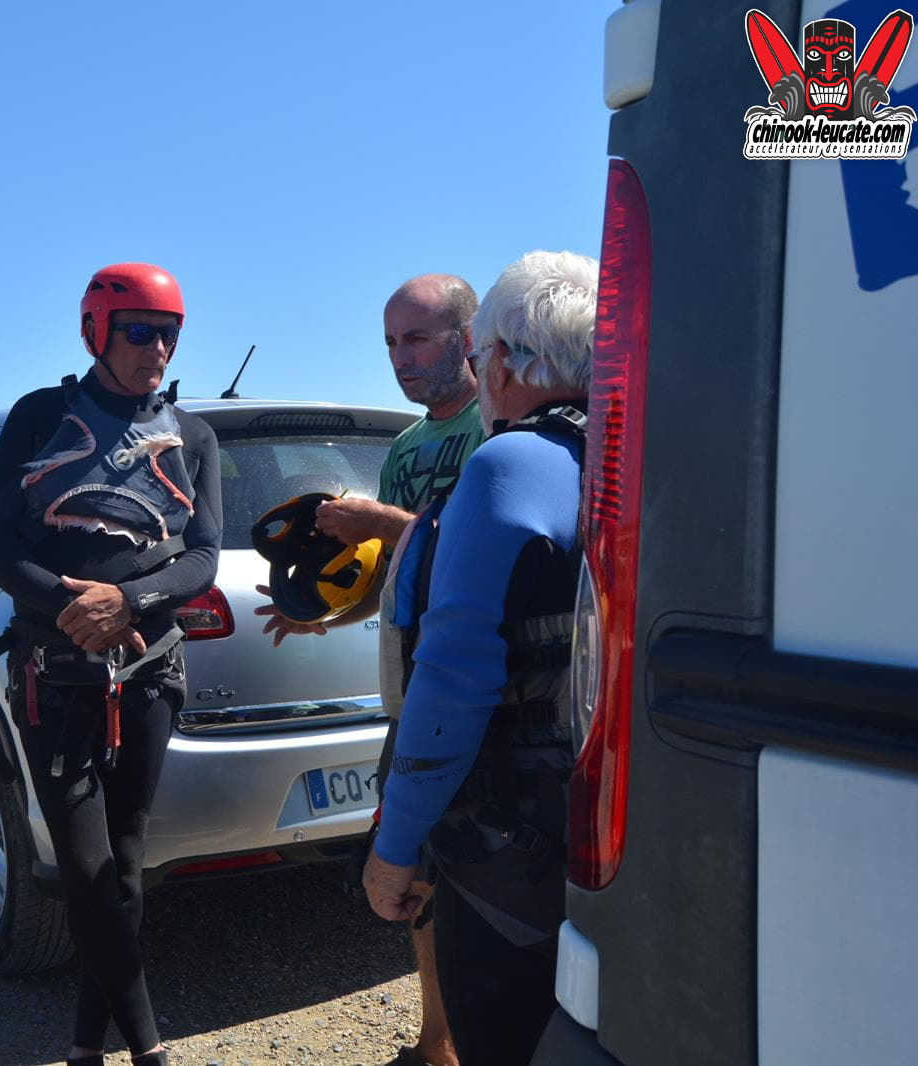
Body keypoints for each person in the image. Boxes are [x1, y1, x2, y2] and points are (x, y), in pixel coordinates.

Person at [0, 263, 222, 1066]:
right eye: (140, 331)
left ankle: (86, 1046)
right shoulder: (41, 417)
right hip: (55, 677)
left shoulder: (194, 436)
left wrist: (131, 603)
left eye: (170, 334)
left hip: (149, 677)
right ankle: (150, 1051)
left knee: (125, 865)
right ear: (95, 332)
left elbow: (205, 557)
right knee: (85, 869)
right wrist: (69, 608)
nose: (158, 349)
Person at [360, 251, 598, 1066]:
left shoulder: (508, 464)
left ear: (498, 361)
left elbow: (454, 677)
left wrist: (396, 847)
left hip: (509, 851)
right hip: (602, 827)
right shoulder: (621, 459)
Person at [255, 273, 483, 1066]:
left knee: (488, 876)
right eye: (390, 342)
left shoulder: (496, 428)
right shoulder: (408, 447)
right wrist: (319, 615)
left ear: (467, 337)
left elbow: (484, 549)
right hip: (411, 692)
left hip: (482, 690)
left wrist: (378, 518)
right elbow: (396, 573)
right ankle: (437, 1041)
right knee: (414, 866)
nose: (400, 357)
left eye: (416, 338)